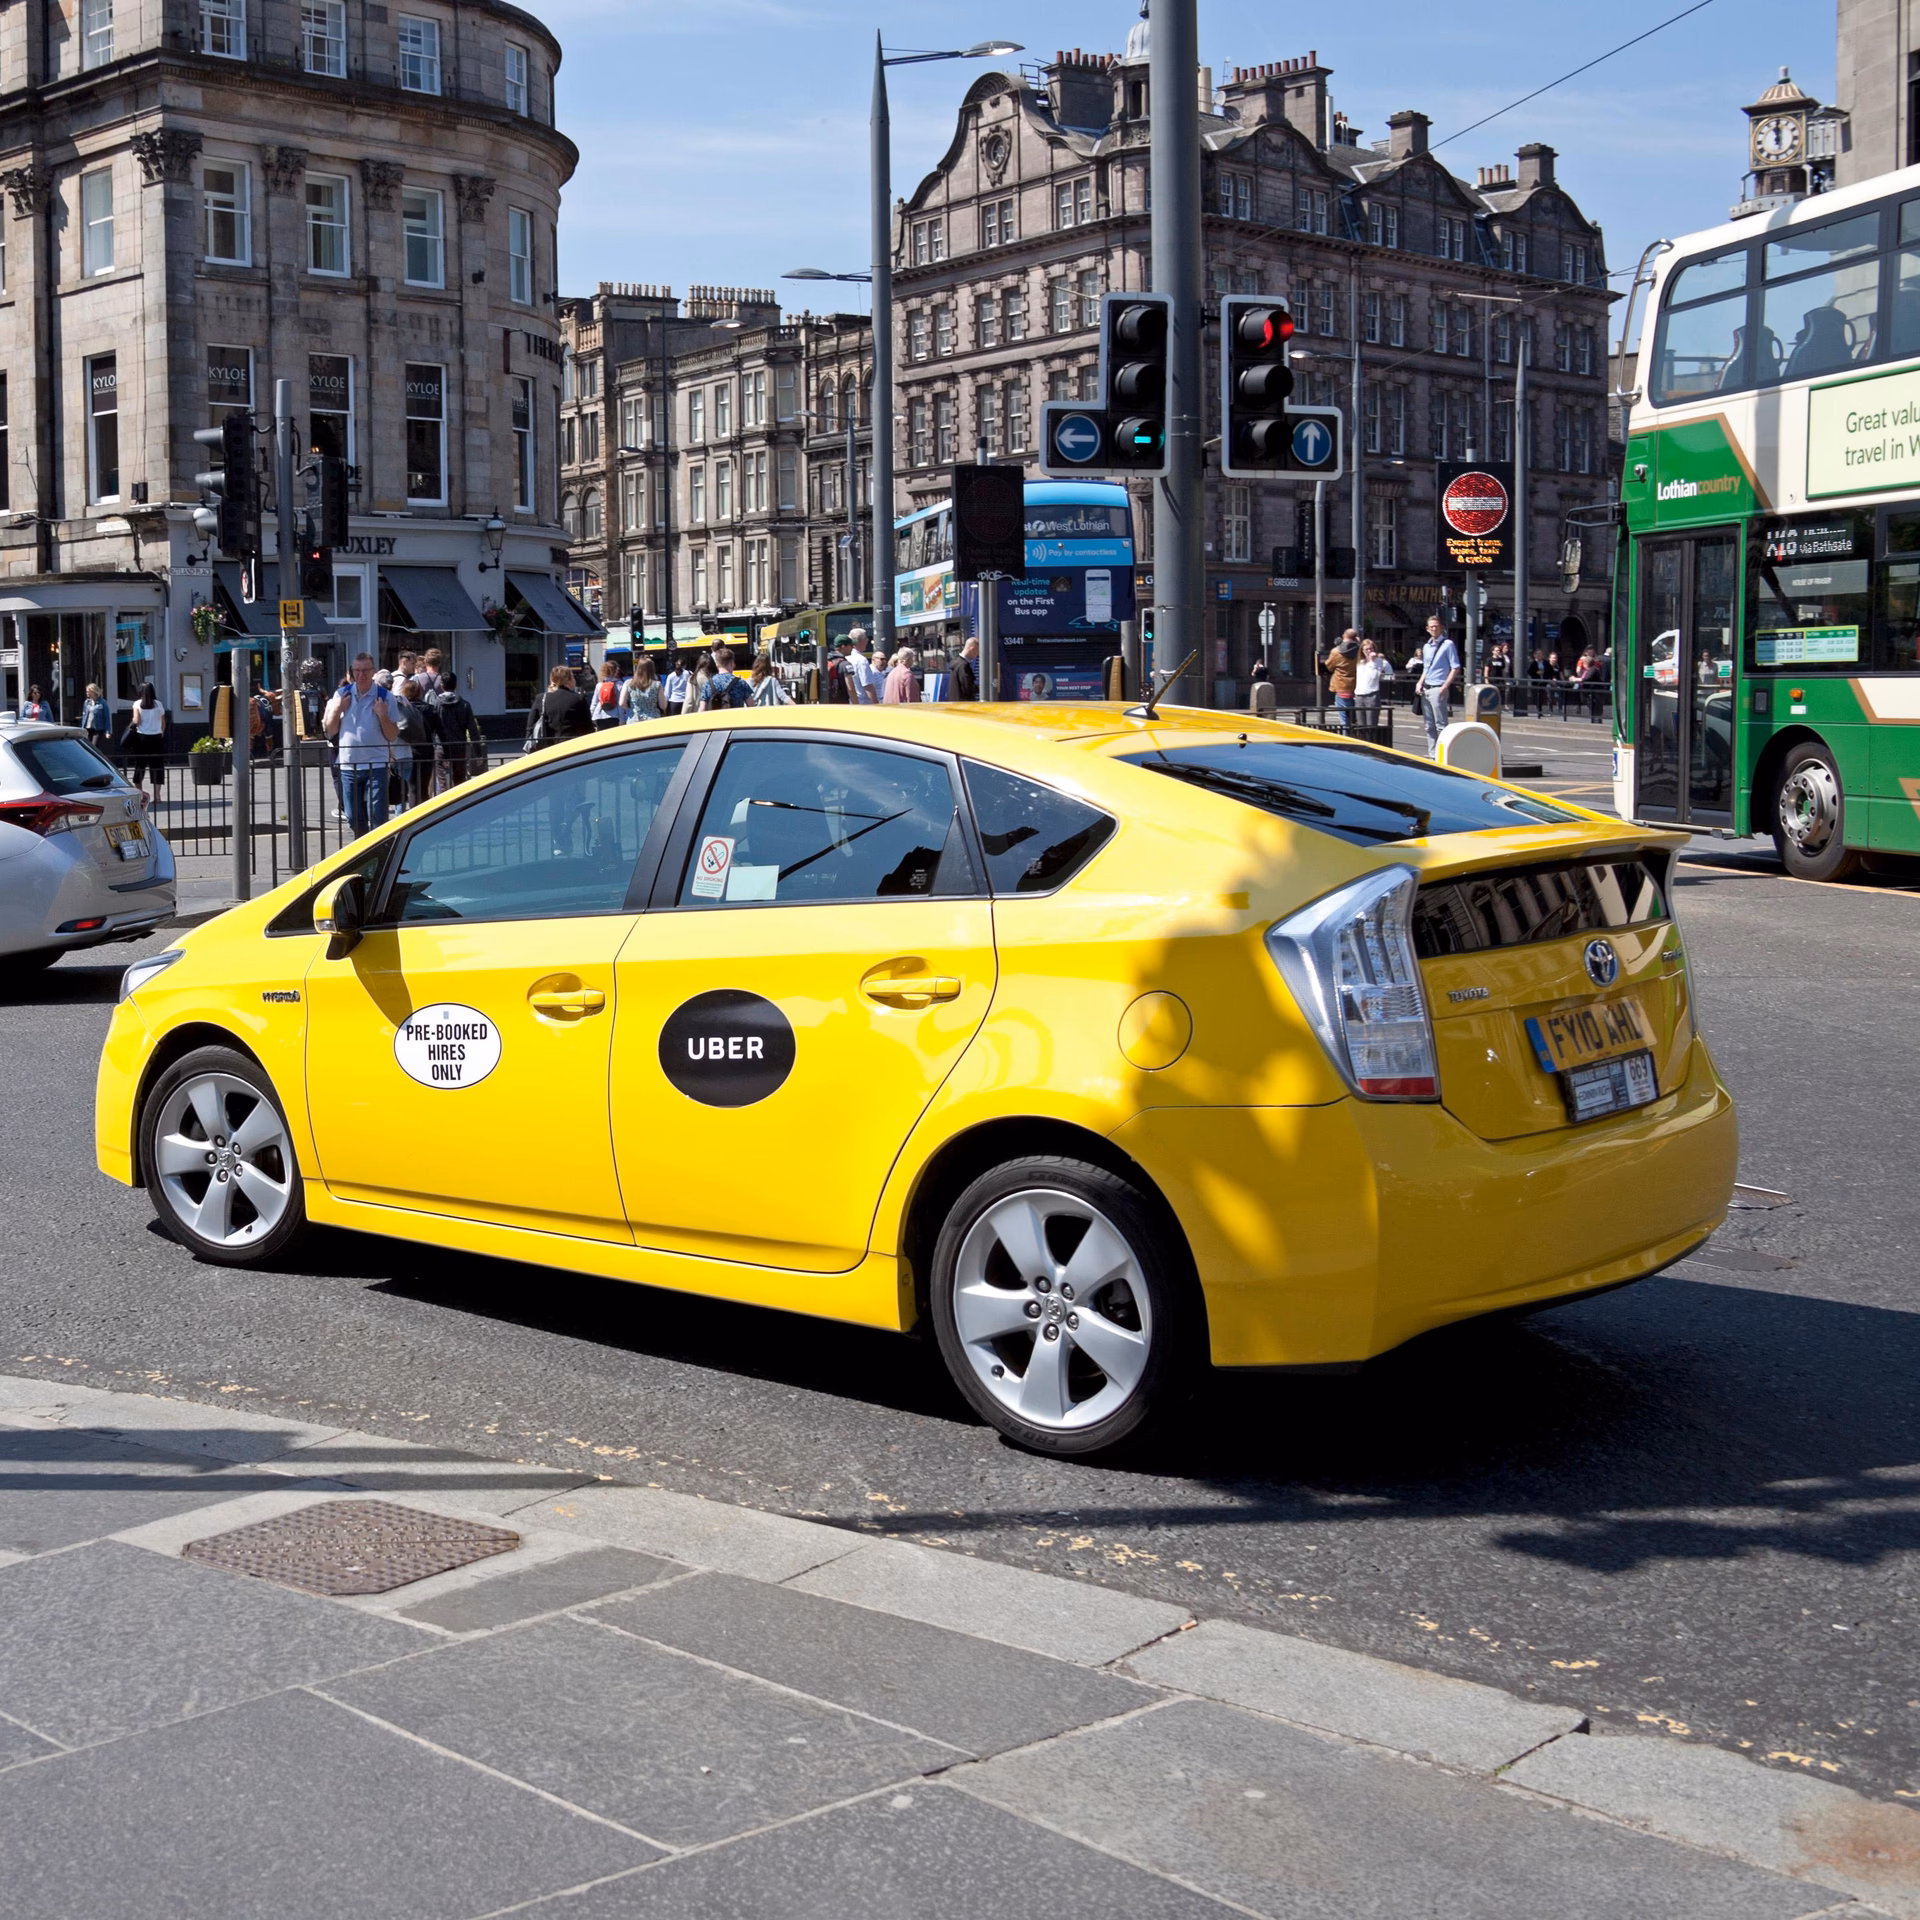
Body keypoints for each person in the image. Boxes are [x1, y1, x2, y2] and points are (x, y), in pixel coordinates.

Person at [323, 652, 399, 836]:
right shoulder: (342, 694)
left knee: (378, 817)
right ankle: (362, 848)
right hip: (349, 765)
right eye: (356, 670)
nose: (361, 675)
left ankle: (379, 852)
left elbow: (392, 735)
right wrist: (338, 709)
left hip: (377, 764)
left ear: (373, 671)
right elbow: (330, 730)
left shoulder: (385, 697)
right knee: (352, 816)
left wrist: (382, 714)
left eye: (365, 670)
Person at [1407, 614, 1462, 755]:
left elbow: (1455, 667)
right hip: (1426, 688)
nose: (1434, 629)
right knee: (1428, 725)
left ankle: (1444, 755)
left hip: (1438, 688)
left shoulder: (1448, 644)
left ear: (1441, 628)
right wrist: (1419, 683)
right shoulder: (1426, 646)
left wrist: (1445, 686)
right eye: (1431, 627)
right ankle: (1433, 755)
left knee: (1441, 725)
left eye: (1436, 627)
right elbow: (1426, 668)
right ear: (1427, 629)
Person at [430, 670, 486, 786]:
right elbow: (473, 730)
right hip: (459, 746)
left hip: (441, 746)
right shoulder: (464, 704)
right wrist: (478, 753)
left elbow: (431, 727)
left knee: (442, 782)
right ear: (456, 685)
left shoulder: (436, 704)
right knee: (460, 781)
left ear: (441, 686)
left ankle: (444, 801)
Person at [525, 664, 591, 751]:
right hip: (573, 746)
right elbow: (587, 726)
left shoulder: (541, 698)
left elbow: (531, 725)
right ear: (568, 680)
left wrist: (529, 745)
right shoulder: (578, 699)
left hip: (547, 747)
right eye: (573, 677)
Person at [123, 682, 168, 793]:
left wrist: (132, 724)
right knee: (157, 767)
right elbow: (163, 722)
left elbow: (136, 720)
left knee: (140, 766)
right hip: (156, 738)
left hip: (141, 737)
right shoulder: (159, 704)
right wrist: (161, 733)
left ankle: (140, 794)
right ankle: (157, 796)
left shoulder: (137, 704)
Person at [1323, 631, 1360, 727]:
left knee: (1344, 719)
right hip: (1356, 685)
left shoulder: (1336, 651)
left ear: (1344, 636)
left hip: (1340, 685)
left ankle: (1345, 736)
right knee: (1355, 718)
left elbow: (1329, 666)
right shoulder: (1360, 651)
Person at [700, 646, 751, 711]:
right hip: (737, 720)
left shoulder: (708, 684)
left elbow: (702, 708)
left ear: (717, 665)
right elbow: (751, 705)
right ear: (732, 663)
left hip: (715, 720)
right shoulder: (741, 683)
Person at [1355, 637, 1389, 729]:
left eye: (1371, 648)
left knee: (1371, 725)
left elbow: (1374, 676)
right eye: (1366, 649)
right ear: (1362, 650)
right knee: (1361, 725)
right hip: (1359, 695)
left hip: (1371, 695)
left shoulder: (1378, 661)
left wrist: (1371, 661)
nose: (1369, 651)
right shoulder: (1360, 662)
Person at [622, 655, 665, 722]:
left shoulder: (628, 683)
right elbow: (663, 706)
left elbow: (621, 703)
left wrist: (631, 707)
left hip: (634, 720)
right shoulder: (657, 684)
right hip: (653, 720)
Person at [846, 629, 884, 704]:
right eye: (865, 639)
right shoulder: (861, 661)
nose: (867, 641)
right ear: (857, 642)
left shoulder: (847, 658)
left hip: (851, 702)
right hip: (863, 704)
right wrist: (877, 706)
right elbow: (868, 686)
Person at [590, 659, 624, 730]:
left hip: (599, 716)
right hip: (614, 716)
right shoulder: (619, 684)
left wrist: (592, 715)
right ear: (615, 671)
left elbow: (594, 703)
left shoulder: (599, 685)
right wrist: (622, 719)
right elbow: (620, 704)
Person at [80, 683, 111, 753]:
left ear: (93, 691)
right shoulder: (87, 702)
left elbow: (107, 717)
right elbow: (84, 716)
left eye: (88, 691)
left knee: (94, 747)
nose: (87, 693)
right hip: (88, 728)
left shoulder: (103, 703)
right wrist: (82, 728)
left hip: (98, 729)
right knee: (87, 747)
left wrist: (108, 731)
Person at [825, 637, 857, 704]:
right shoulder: (845, 664)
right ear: (843, 646)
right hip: (842, 704)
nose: (853, 648)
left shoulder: (825, 660)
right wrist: (857, 704)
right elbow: (850, 689)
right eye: (851, 645)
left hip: (828, 703)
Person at [951, 635, 980, 702]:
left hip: (956, 704)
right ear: (972, 649)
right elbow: (967, 687)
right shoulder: (963, 665)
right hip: (964, 706)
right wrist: (979, 688)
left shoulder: (956, 663)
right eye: (977, 652)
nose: (977, 655)